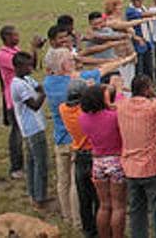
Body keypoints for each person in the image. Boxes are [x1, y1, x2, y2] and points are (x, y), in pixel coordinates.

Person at [44, 46, 132, 232]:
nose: (73, 62)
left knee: (65, 182)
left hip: (62, 139)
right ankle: (89, 225)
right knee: (94, 197)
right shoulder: (87, 115)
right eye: (70, 60)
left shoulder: (50, 85)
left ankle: (71, 219)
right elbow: (102, 75)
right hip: (90, 150)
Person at [117, 74, 156, 238]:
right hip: (152, 167)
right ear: (147, 89)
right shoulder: (154, 107)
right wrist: (154, 94)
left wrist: (121, 88)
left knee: (136, 211)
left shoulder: (121, 107)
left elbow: (118, 96)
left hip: (130, 168)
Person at [79, 78, 128, 238]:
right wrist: (119, 91)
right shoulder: (112, 116)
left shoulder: (83, 118)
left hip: (98, 162)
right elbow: (121, 106)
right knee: (118, 206)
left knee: (104, 205)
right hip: (115, 160)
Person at [0, 24, 43, 180]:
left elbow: (31, 66)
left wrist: (35, 50)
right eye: (15, 35)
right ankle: (16, 167)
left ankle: (29, 161)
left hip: (25, 95)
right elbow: (27, 65)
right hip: (15, 99)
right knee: (16, 133)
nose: (18, 38)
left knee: (26, 130)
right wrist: (33, 48)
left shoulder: (15, 51)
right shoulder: (3, 55)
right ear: (7, 37)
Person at [60, 78, 101, 238]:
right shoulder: (86, 113)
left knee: (84, 199)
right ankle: (100, 229)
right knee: (98, 198)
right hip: (93, 155)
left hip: (79, 157)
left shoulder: (63, 109)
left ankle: (88, 231)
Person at [10, 51, 49, 210]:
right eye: (28, 66)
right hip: (32, 128)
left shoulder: (26, 78)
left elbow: (38, 86)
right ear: (18, 67)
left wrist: (41, 89)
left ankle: (34, 194)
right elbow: (34, 105)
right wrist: (44, 93)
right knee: (40, 164)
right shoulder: (17, 85)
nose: (31, 68)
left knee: (32, 162)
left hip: (35, 126)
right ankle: (39, 198)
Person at [125, 0, 155, 80]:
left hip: (147, 41)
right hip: (138, 43)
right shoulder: (130, 11)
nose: (136, 2)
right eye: (133, 0)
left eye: (138, 0)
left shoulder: (143, 8)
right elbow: (143, 15)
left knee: (149, 67)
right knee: (139, 68)